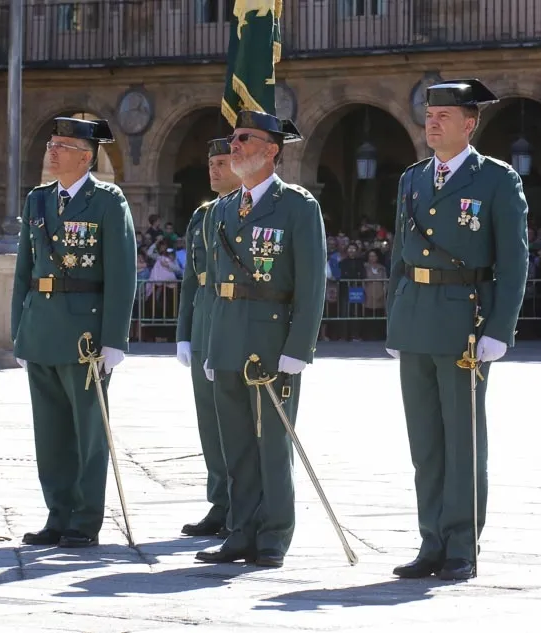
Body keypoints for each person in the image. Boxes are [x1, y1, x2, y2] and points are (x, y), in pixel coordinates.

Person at [384, 79, 529, 581]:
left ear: (469, 124)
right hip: (416, 315)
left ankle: (461, 545)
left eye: (443, 116)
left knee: (463, 441)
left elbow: (513, 260)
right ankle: (431, 541)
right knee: (425, 442)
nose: (433, 122)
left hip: (465, 320)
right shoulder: (413, 178)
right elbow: (399, 254)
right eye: (429, 115)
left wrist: (500, 329)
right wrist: (395, 319)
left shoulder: (496, 179)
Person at [196, 110, 326, 568]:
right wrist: (211, 344)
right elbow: (215, 285)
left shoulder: (297, 206)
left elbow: (311, 282)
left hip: (271, 335)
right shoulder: (223, 209)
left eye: (244, 139)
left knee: (272, 441)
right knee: (235, 443)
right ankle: (241, 530)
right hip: (228, 333)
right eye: (233, 138)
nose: (234, 146)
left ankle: (273, 534)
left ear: (271, 149)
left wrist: (299, 347)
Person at [11, 117, 138, 548]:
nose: (52, 150)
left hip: (85, 333)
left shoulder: (107, 201)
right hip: (41, 327)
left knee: (88, 433)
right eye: (51, 143)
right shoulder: (38, 200)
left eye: (62, 145)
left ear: (85, 156)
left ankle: (84, 520)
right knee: (50, 433)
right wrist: (19, 330)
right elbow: (24, 271)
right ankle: (57, 513)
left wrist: (114, 338)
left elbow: (121, 273)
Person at [176, 137, 241, 538]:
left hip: (232, 319)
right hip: (204, 321)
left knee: (235, 421)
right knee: (209, 421)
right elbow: (190, 279)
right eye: (211, 163)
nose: (214, 170)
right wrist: (183, 333)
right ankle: (220, 502)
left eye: (222, 163)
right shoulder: (202, 216)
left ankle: (242, 504)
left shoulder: (247, 211)